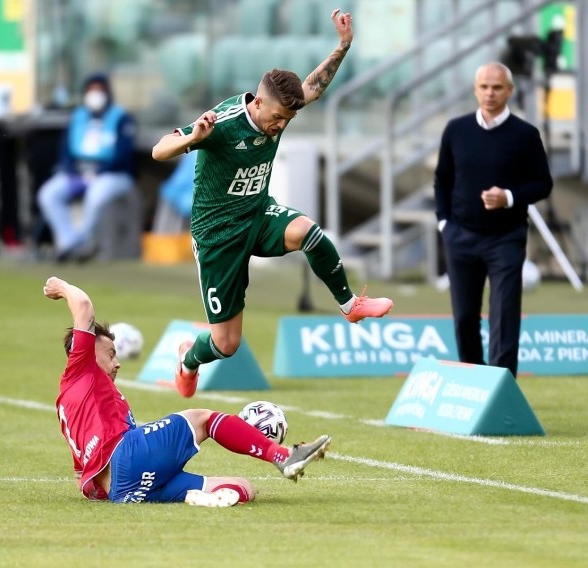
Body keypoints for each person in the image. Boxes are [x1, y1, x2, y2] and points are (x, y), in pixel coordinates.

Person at [151, 9, 393, 398]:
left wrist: (343, 46)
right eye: (278, 118)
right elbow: (158, 150)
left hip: (258, 214)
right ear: (259, 105)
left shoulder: (278, 110)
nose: (281, 126)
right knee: (226, 344)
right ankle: (187, 359)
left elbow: (313, 87)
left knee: (308, 232)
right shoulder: (222, 124)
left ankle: (350, 305)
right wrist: (191, 138)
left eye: (288, 118)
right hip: (218, 237)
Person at [44, 275, 331, 506]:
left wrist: (106, 490)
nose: (117, 363)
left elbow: (82, 473)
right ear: (86, 351)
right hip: (128, 457)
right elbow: (82, 305)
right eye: (110, 354)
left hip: (123, 490)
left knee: (245, 488)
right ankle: (281, 455)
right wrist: (61, 287)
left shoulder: (67, 404)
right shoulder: (81, 366)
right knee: (202, 418)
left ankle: (203, 498)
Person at [433, 62, 553, 378]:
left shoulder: (525, 134)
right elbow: (442, 179)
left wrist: (509, 197)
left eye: (497, 87)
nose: (490, 93)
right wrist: (444, 223)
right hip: (461, 237)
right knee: (464, 318)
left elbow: (543, 183)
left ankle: (501, 388)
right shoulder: (455, 130)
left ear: (509, 91)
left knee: (504, 315)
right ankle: (474, 383)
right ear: (475, 89)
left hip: (506, 237)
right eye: (484, 86)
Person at [36, 73, 136, 262]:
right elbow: (65, 152)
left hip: (111, 174)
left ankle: (83, 242)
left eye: (99, 91)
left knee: (96, 194)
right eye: (91, 91)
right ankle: (69, 242)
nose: (95, 95)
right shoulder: (78, 116)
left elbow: (123, 155)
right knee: (48, 193)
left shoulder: (121, 117)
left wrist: (98, 173)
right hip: (79, 173)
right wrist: (75, 172)